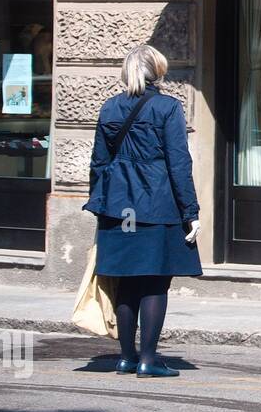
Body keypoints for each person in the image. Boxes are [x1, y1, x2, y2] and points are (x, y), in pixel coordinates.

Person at [84, 45, 201, 378]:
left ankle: (126, 357)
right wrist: (191, 211)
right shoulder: (167, 108)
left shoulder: (109, 108)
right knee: (154, 283)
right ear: (158, 72)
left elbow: (98, 163)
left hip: (119, 207)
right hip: (156, 205)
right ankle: (148, 359)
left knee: (126, 281)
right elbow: (179, 164)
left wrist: (99, 205)